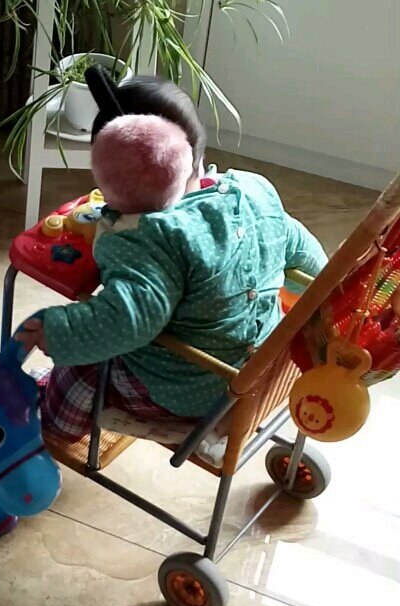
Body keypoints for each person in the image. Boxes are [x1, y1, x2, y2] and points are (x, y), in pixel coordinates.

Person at [17, 71, 328, 444]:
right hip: (263, 371)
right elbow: (303, 251)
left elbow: (127, 323)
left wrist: (57, 331)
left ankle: (54, 422)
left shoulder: (148, 238)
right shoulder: (253, 190)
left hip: (192, 391)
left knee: (83, 363)